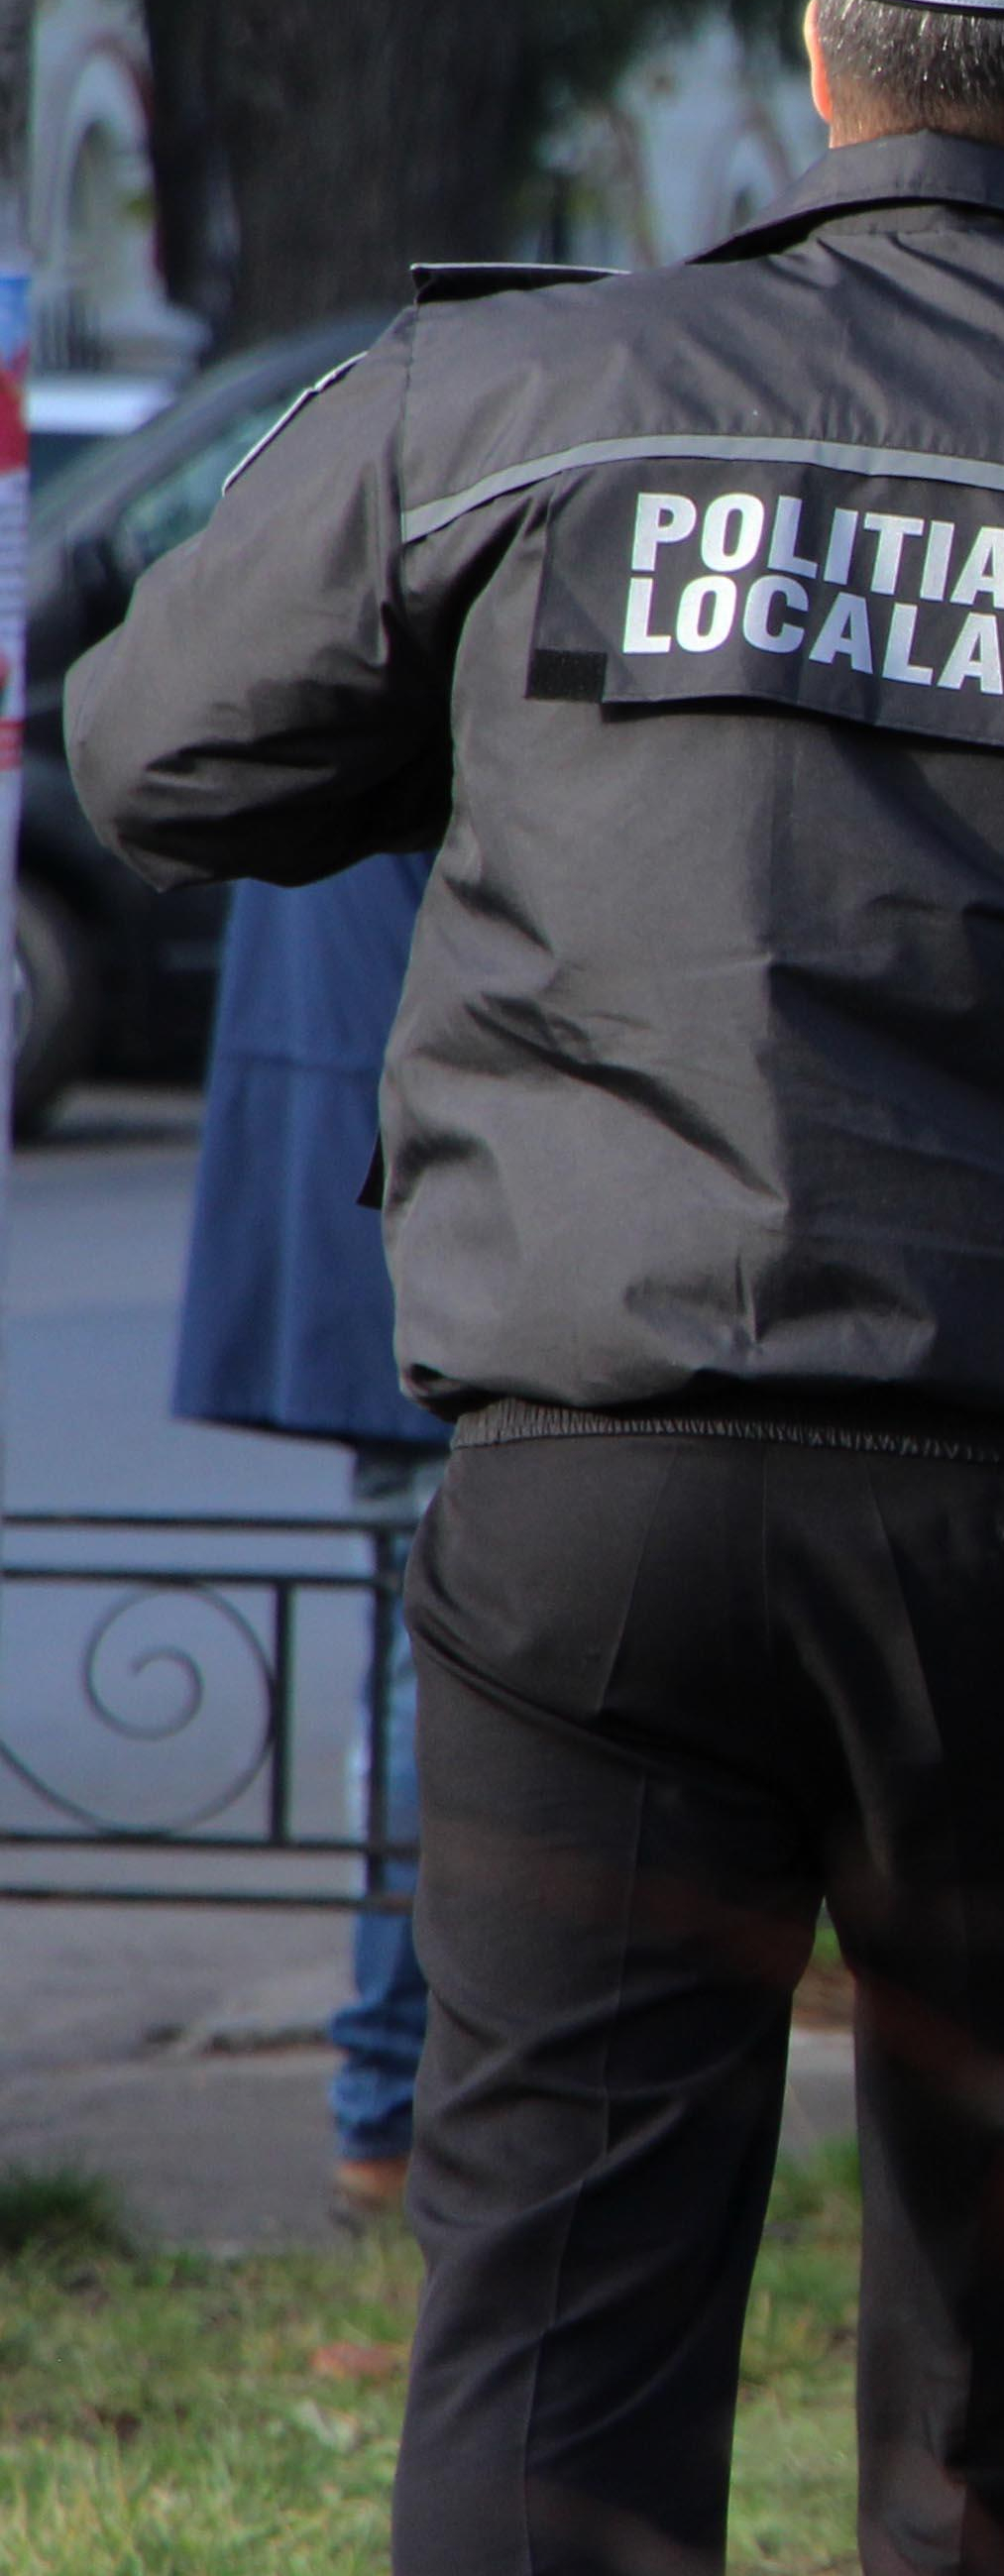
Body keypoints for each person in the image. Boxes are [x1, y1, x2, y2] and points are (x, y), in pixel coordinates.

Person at [65, 0, 1004, 2576]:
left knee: (553, 2301)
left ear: (821, 62)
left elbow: (151, 751)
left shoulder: (504, 389)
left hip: (599, 1486)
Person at [171, 849, 451, 2221]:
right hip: (448, 1161)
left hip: (384, 1129)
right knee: (442, 1663)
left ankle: (392, 2108)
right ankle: (393, 2109)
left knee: (422, 1646)